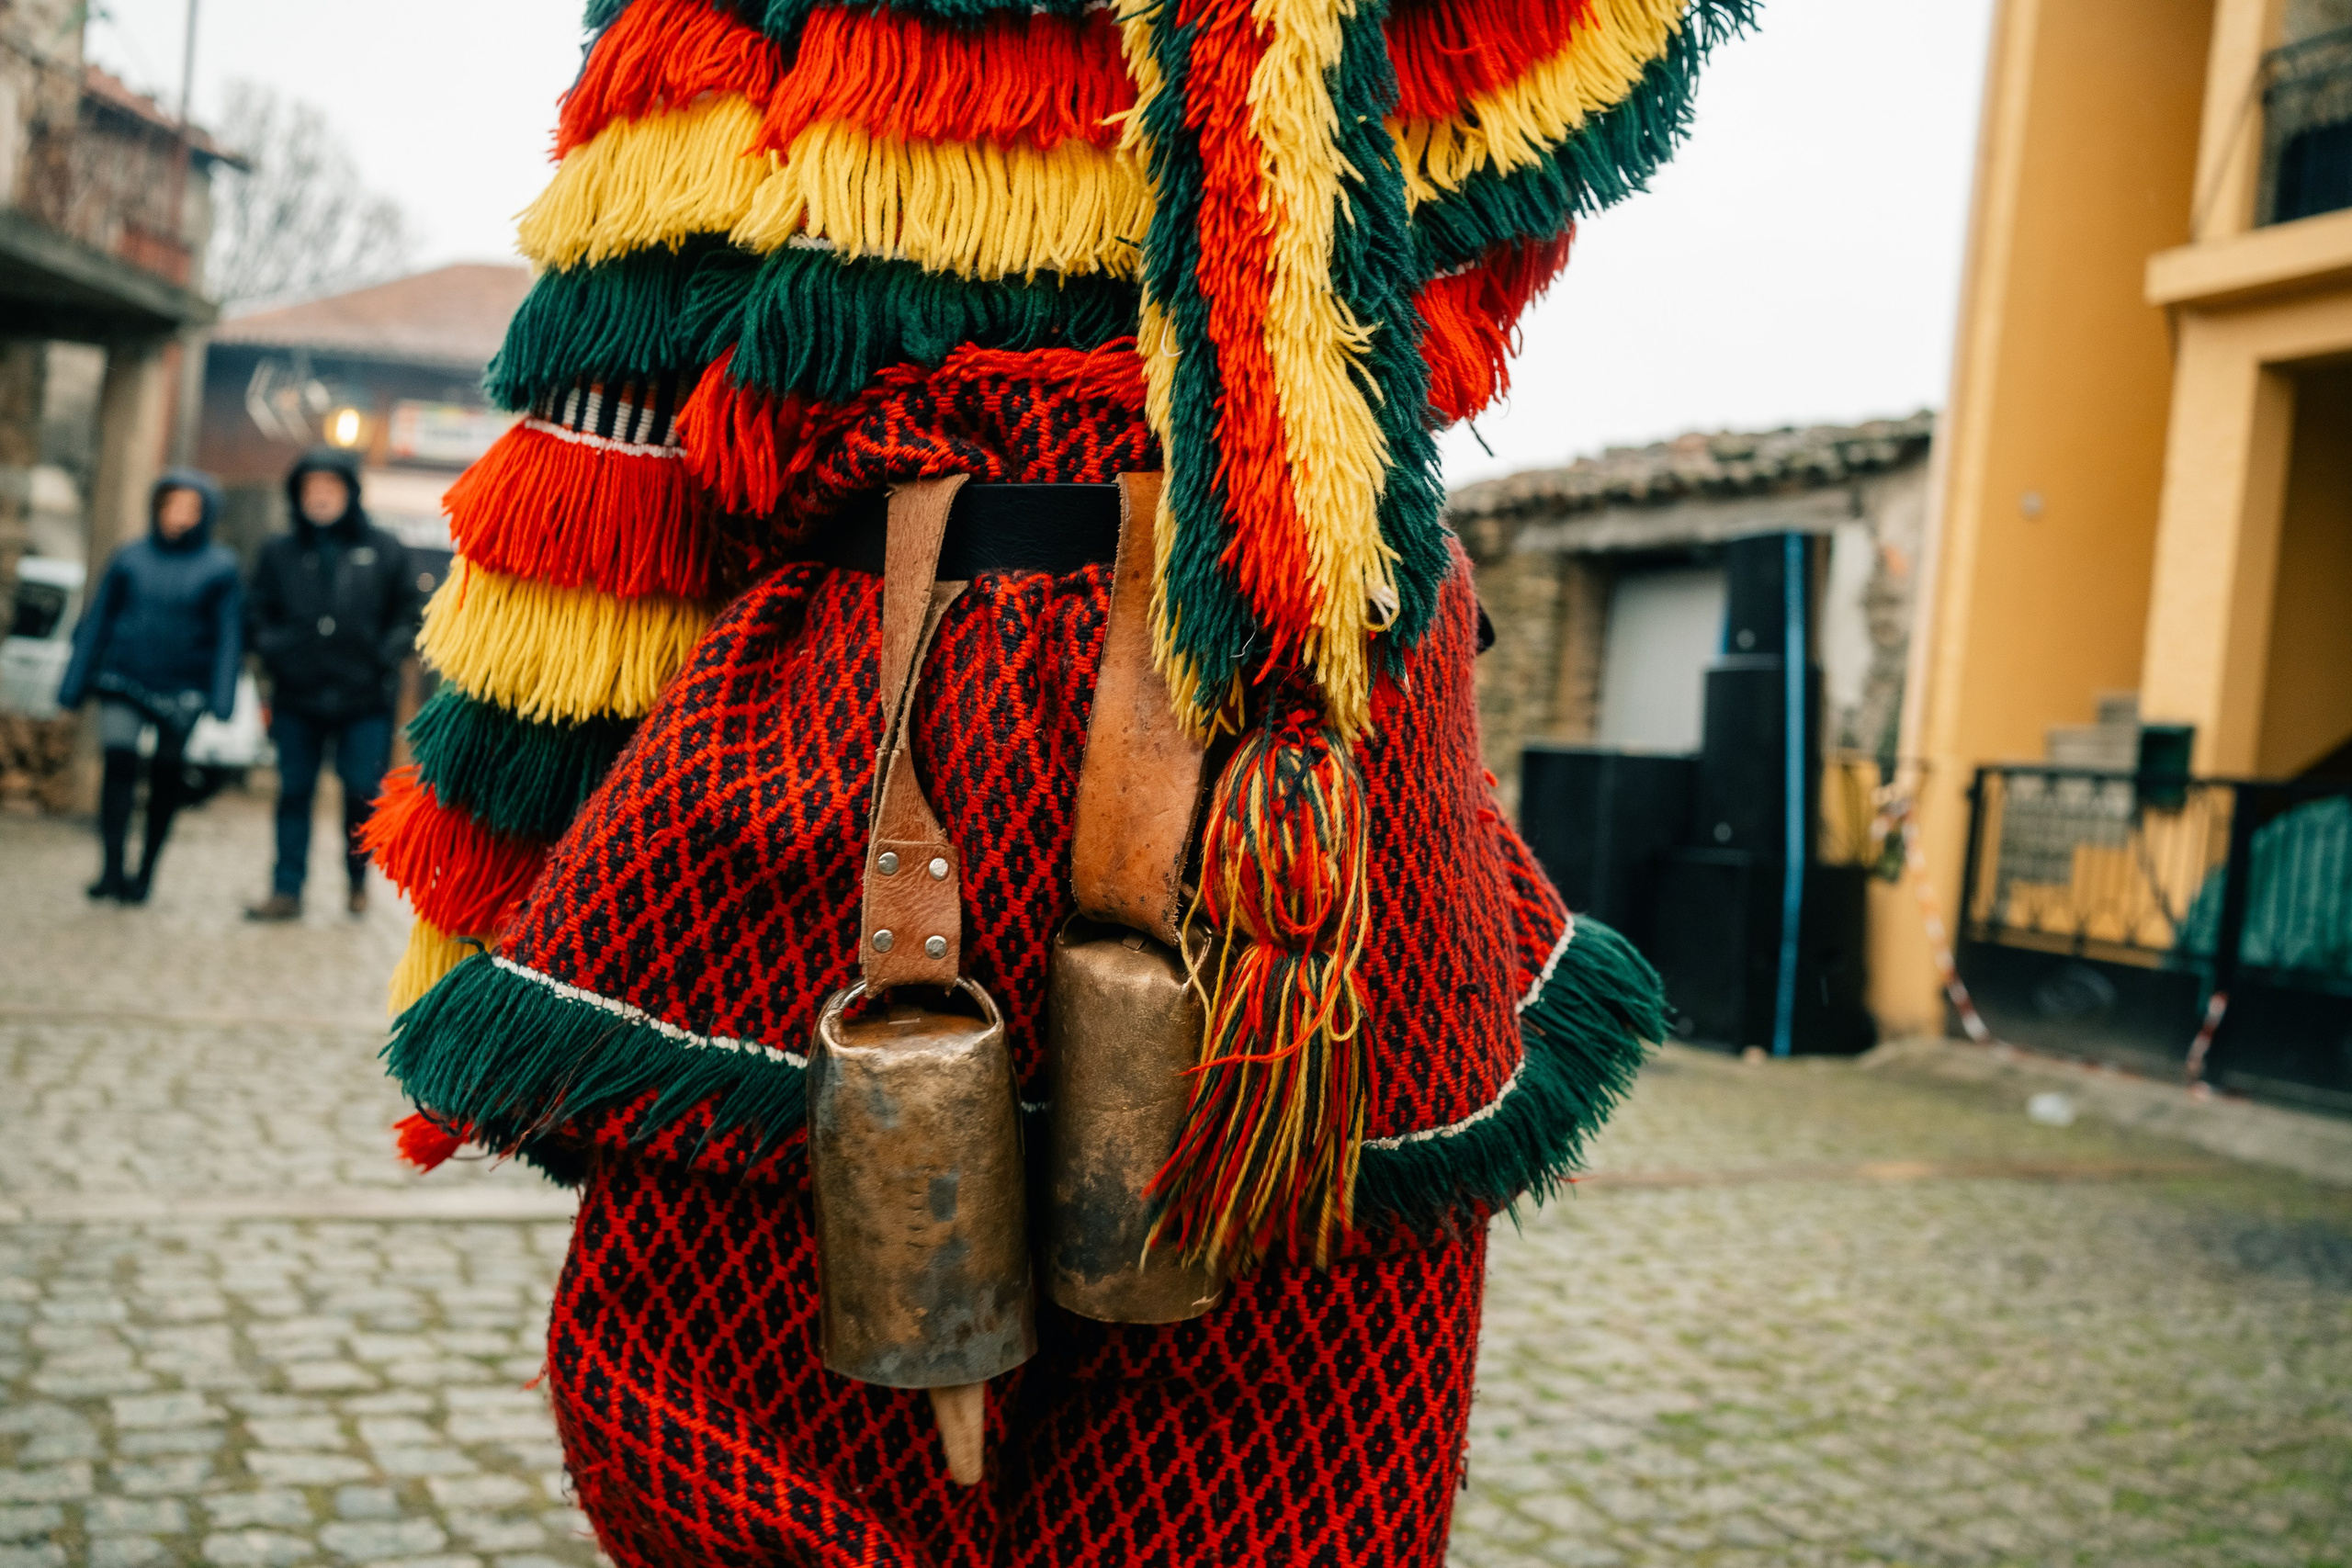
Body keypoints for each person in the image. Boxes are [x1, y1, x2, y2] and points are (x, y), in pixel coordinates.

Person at [368, 0, 1748, 1562]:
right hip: (1314, 755)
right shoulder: (1518, 27)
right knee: (1289, 1441)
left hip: (905, 696)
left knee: (753, 1411)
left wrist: (500, 908)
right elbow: (1468, 302)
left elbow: (609, 444)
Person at [243, 447, 421, 920]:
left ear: (350, 493)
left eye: (330, 488)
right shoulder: (278, 551)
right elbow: (257, 612)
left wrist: (382, 657)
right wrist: (278, 650)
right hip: (298, 696)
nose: (320, 498)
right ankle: (286, 889)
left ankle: (357, 882)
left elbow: (409, 613)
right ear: (297, 495)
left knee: (362, 792)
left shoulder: (384, 548)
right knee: (294, 791)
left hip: (364, 698)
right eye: (310, 489)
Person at [56, 469, 241, 904]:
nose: (179, 516)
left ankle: (145, 874)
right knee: (118, 762)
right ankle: (112, 869)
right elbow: (97, 619)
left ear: (205, 515)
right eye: (172, 504)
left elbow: (229, 636)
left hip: (183, 688)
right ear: (157, 508)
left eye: (191, 508)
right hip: (123, 676)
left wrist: (222, 697)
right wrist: (73, 683)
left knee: (166, 778)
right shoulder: (129, 558)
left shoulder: (221, 568)